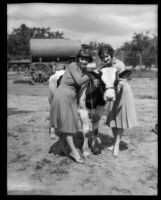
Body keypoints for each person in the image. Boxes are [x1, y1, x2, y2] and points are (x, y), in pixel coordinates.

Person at [49, 49, 99, 163]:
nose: (83, 61)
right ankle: (74, 152)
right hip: (63, 96)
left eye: (86, 59)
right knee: (68, 127)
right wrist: (92, 75)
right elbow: (79, 81)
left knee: (70, 126)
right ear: (78, 59)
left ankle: (61, 147)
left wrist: (93, 75)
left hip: (72, 99)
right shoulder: (72, 66)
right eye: (82, 58)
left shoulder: (83, 69)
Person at [98, 44, 137, 157]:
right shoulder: (103, 67)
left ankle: (116, 145)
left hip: (122, 93)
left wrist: (119, 85)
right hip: (111, 94)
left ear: (110, 54)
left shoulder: (119, 64)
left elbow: (123, 79)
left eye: (106, 56)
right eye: (103, 57)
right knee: (113, 120)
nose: (105, 58)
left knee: (119, 121)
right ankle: (116, 142)